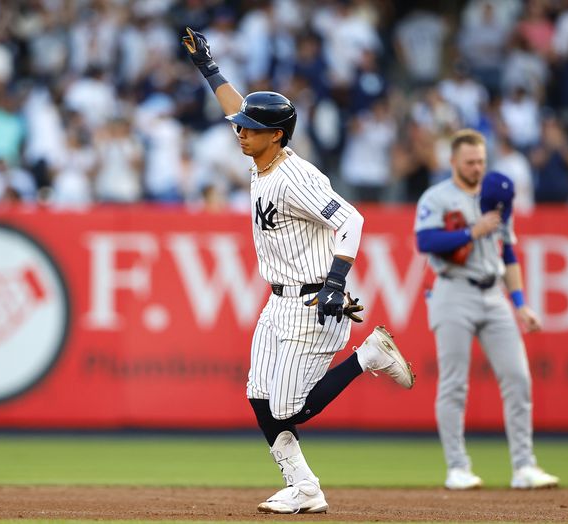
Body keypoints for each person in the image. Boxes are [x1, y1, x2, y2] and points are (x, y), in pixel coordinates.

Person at [181, 28, 415, 514]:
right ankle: (305, 487)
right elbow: (234, 105)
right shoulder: (259, 156)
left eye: (249, 127)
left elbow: (352, 219)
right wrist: (209, 66)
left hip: (314, 301)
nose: (239, 130)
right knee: (258, 395)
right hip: (279, 299)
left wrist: (335, 282)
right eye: (241, 125)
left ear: (277, 135)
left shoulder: (295, 175)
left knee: (289, 408)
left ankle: (368, 355)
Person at [414, 129, 559, 490]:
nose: (477, 168)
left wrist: (521, 304)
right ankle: (457, 467)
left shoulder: (495, 198)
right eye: (470, 162)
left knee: (518, 379)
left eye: (481, 161)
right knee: (454, 384)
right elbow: (425, 240)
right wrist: (471, 232)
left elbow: (508, 252)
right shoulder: (438, 196)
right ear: (453, 162)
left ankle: (525, 466)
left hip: (493, 293)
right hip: (452, 290)